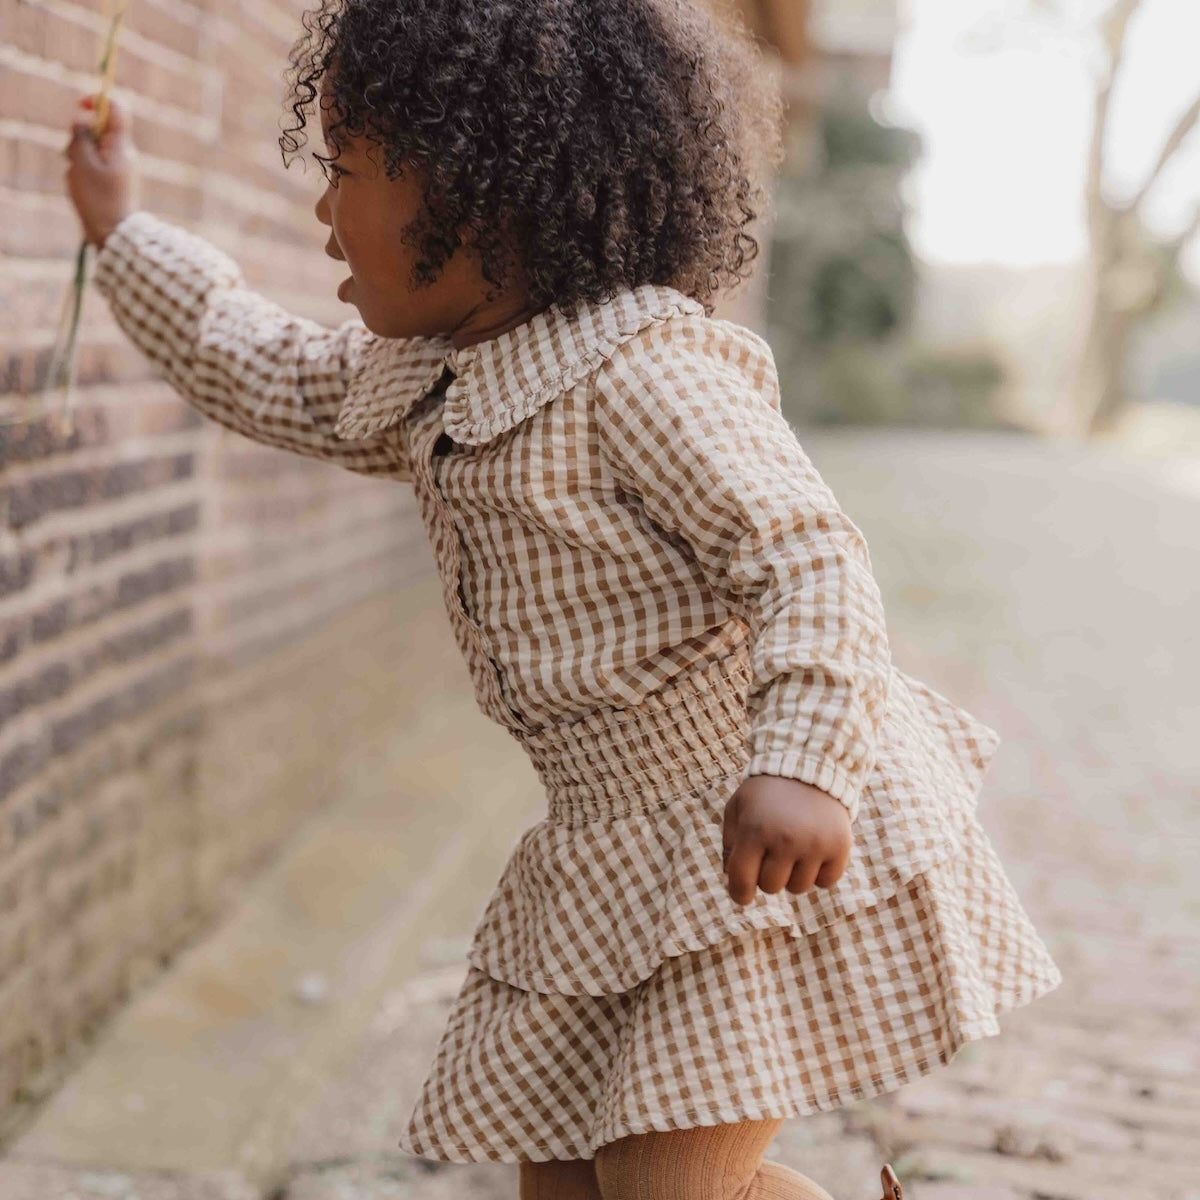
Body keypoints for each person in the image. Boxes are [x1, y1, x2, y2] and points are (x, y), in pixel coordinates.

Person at [64, 2, 1062, 1197]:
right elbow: (262, 364)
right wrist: (122, 232)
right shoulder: (432, 378)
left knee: (664, 1188)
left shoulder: (642, 370)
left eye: (345, 169)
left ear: (480, 197)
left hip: (740, 846)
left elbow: (808, 554)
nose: (322, 210)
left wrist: (803, 764)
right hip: (606, 862)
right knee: (565, 1183)